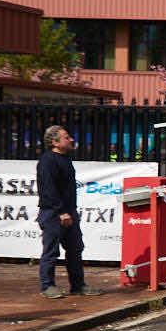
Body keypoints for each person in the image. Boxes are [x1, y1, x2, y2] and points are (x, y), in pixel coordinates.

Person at [36, 125, 101, 299]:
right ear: (55, 142)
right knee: (51, 251)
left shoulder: (65, 158)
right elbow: (48, 189)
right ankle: (47, 286)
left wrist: (70, 212)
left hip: (68, 211)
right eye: (66, 137)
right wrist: (61, 212)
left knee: (75, 249)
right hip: (53, 213)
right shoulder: (48, 160)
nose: (71, 139)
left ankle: (78, 285)